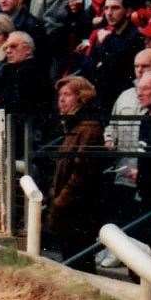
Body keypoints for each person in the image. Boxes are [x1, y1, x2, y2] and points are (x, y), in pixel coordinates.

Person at [45, 75, 107, 268]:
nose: (61, 100)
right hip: (67, 207)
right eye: (60, 95)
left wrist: (60, 200)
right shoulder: (72, 127)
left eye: (67, 94)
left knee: (80, 260)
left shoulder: (89, 129)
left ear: (82, 97)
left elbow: (82, 171)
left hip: (79, 209)